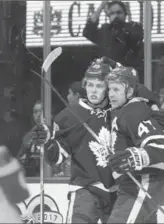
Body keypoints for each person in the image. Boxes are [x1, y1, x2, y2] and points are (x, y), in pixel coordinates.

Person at [34, 61, 117, 223]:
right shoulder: (68, 116)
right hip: (85, 189)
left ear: (108, 88)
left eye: (99, 86)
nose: (93, 91)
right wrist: (47, 142)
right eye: (90, 85)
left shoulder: (119, 112)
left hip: (117, 190)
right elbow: (57, 158)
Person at [106, 66, 164, 223]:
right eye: (110, 89)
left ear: (129, 92)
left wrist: (134, 157)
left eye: (116, 89)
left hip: (144, 182)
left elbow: (161, 147)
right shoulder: (122, 112)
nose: (111, 94)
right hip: (135, 184)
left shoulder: (133, 110)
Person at [83, 1, 144, 83]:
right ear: (108, 16)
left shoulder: (134, 27)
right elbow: (88, 31)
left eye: (119, 13)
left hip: (127, 77)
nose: (116, 16)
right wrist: (101, 6)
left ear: (125, 14)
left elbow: (136, 39)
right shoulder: (105, 31)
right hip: (107, 78)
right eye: (112, 13)